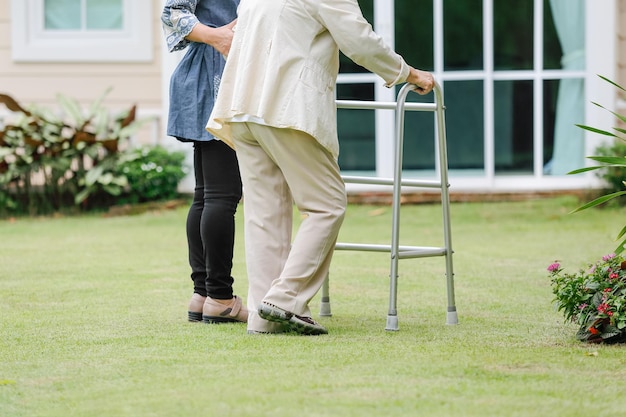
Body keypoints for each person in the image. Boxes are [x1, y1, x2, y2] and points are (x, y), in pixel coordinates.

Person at [207, 0, 434, 335]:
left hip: (242, 108)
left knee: (265, 213)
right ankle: (284, 299)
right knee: (327, 204)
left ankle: (262, 317)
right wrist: (408, 73)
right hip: (285, 108)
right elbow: (359, 40)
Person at [161, 0, 247, 324]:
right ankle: (221, 297)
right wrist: (218, 37)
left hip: (211, 76)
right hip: (216, 78)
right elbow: (173, 11)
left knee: (207, 194)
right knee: (222, 196)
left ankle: (203, 294)